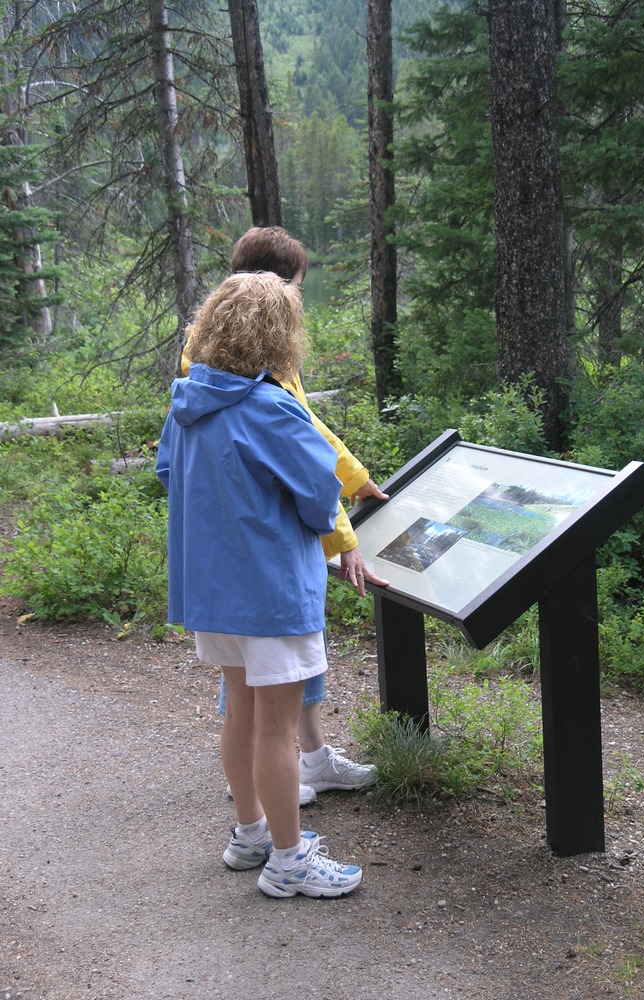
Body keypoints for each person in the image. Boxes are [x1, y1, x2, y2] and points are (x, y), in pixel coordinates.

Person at [156, 271, 362, 897]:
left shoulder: (186, 401)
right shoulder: (271, 406)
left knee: (240, 712)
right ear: (278, 334)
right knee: (276, 728)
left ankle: (250, 833)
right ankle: (289, 860)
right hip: (271, 590)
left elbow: (168, 472)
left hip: (213, 593)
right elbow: (320, 493)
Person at [181, 226, 390, 815]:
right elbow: (305, 465)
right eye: (296, 291)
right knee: (266, 700)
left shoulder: (203, 376)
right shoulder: (257, 378)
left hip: (220, 569)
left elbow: (181, 473)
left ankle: (282, 787)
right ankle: (278, 821)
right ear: (273, 298)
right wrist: (343, 533)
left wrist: (355, 476)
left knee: (256, 687)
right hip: (268, 566)